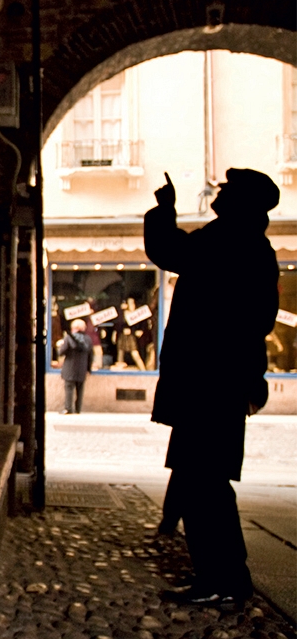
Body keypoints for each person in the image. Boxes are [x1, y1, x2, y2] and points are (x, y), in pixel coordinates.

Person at [145, 169, 280, 610]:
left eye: (226, 190)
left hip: (210, 386)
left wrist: (165, 210)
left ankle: (224, 579)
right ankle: (216, 575)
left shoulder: (232, 242)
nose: (218, 193)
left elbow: (170, 249)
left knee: (206, 487)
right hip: (214, 385)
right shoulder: (244, 243)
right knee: (202, 484)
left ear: (241, 202)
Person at [57, 318, 94, 414]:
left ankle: (68, 408)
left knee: (69, 388)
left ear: (74, 328)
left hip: (70, 368)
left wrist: (60, 346)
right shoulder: (88, 339)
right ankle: (78, 409)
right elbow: (90, 355)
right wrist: (88, 369)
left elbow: (61, 352)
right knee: (80, 389)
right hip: (82, 369)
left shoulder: (69, 338)